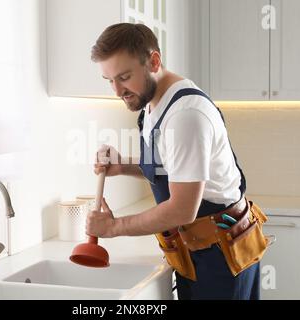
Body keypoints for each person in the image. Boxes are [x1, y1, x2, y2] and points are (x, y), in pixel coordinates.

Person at [86, 23, 262, 300]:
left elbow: (182, 209)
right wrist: (123, 166)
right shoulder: (153, 103)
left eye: (124, 76)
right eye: (109, 80)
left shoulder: (185, 116)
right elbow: (172, 168)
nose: (117, 90)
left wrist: (113, 227)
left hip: (220, 256)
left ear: (154, 61)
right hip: (193, 251)